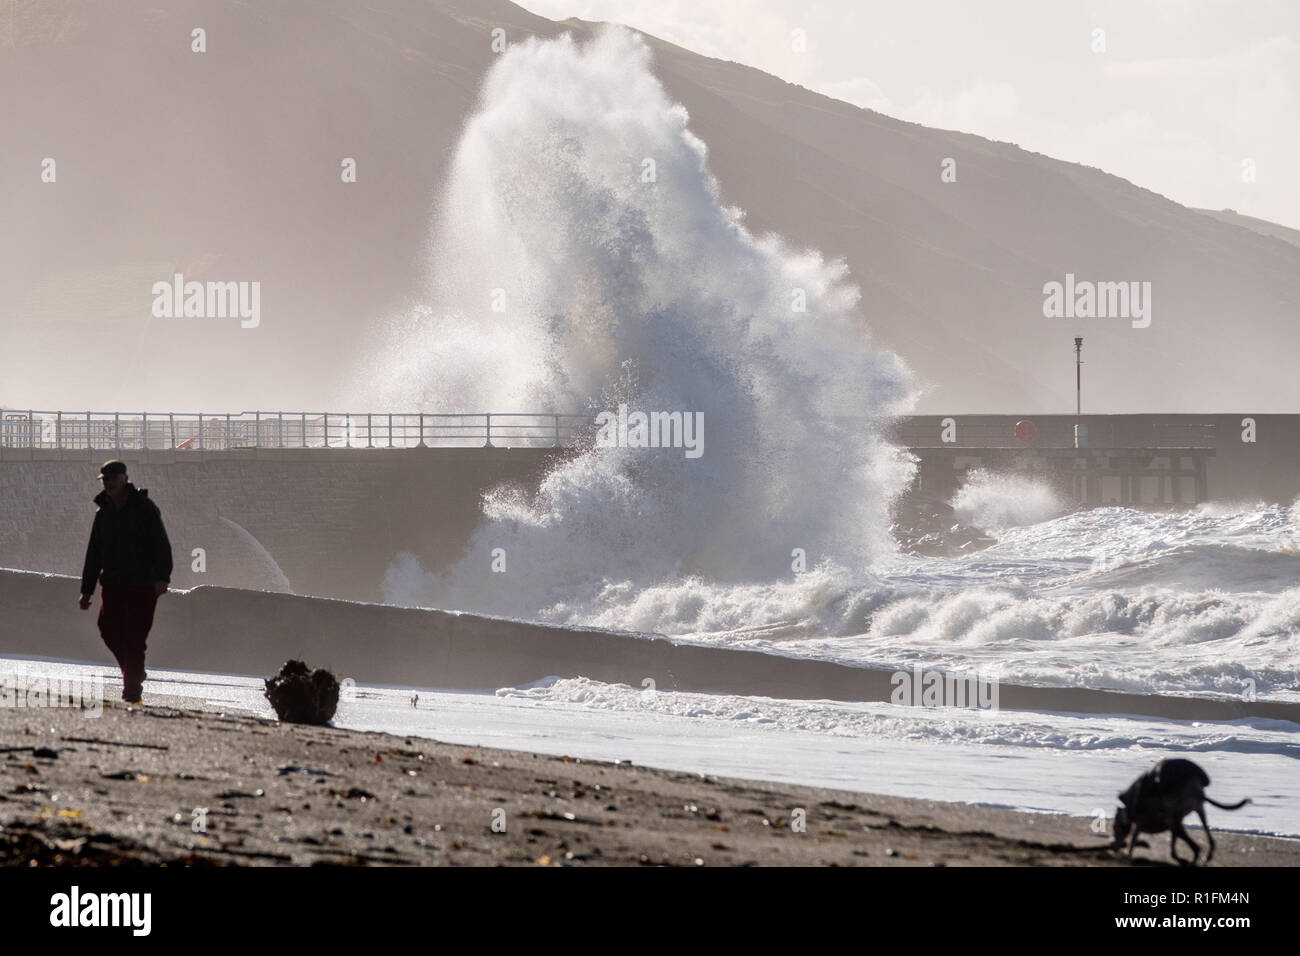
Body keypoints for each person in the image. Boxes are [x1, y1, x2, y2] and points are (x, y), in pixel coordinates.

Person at [79, 460, 173, 704]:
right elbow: (94, 552)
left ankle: (131, 690)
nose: (108, 483)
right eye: (105, 479)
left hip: (142, 584)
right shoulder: (103, 513)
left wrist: (163, 577)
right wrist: (86, 590)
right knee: (107, 629)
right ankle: (134, 672)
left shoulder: (145, 508)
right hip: (112, 584)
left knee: (135, 637)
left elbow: (161, 544)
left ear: (125, 478)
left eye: (112, 478)